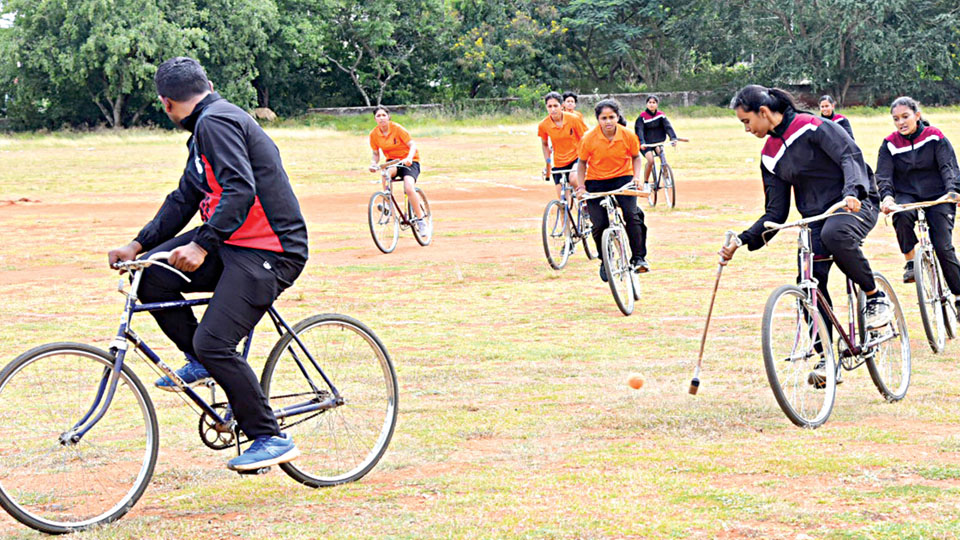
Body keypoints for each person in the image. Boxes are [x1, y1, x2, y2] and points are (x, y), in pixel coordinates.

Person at [107, 57, 307, 471]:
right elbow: (183, 198)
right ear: (208, 83)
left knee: (215, 341)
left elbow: (240, 190)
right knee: (152, 277)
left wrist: (202, 243)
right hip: (233, 243)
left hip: (271, 250)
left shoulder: (216, 122)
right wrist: (139, 243)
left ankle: (269, 435)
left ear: (166, 104)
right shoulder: (202, 131)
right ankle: (202, 363)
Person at [720, 85, 892, 338]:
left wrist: (853, 192)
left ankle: (874, 296)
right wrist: (742, 239)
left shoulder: (812, 125)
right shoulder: (769, 156)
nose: (746, 129)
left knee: (835, 234)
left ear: (764, 112)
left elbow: (849, 155)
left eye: (747, 121)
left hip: (856, 202)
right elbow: (775, 213)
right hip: (816, 217)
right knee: (809, 281)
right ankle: (825, 359)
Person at [877, 96, 960, 313]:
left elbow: (948, 166)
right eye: (896, 119)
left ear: (917, 115)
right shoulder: (889, 144)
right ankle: (910, 261)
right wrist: (887, 197)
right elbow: (883, 175)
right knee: (900, 215)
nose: (901, 122)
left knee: (943, 247)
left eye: (905, 116)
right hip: (907, 195)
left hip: (939, 195)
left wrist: (953, 191)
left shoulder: (935, 137)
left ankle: (958, 295)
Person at [573, 99, 650, 278]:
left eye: (611, 117)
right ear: (598, 119)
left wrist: (636, 178)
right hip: (596, 181)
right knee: (599, 224)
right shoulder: (589, 139)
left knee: (632, 215)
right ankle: (605, 259)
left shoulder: (627, 135)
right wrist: (582, 186)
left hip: (622, 179)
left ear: (617, 117)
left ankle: (639, 258)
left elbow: (636, 157)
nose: (608, 121)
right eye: (603, 118)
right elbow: (582, 163)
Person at [368, 106, 428, 237]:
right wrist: (374, 164)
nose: (381, 118)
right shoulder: (374, 134)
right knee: (385, 173)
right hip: (393, 162)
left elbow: (412, 145)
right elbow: (375, 153)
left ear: (388, 117)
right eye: (378, 116)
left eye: (384, 115)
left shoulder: (397, 129)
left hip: (409, 162)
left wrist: (409, 158)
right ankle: (388, 204)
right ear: (375, 119)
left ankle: (421, 219)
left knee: (409, 188)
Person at [538, 91, 588, 201]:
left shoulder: (573, 119)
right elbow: (545, 144)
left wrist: (586, 157)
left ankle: (584, 202)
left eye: (555, 106)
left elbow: (584, 138)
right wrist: (548, 165)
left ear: (561, 106)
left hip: (576, 157)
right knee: (563, 201)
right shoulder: (543, 125)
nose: (553, 109)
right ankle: (565, 217)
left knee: (574, 178)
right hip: (558, 161)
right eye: (549, 106)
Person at [633, 95, 678, 189]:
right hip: (646, 144)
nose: (652, 104)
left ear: (657, 104)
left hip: (658, 142)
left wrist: (673, 138)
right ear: (646, 104)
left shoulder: (661, 115)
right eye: (650, 102)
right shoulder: (642, 117)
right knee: (650, 160)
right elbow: (639, 130)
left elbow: (668, 127)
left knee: (662, 158)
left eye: (654, 102)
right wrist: (642, 143)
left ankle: (666, 178)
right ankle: (646, 182)